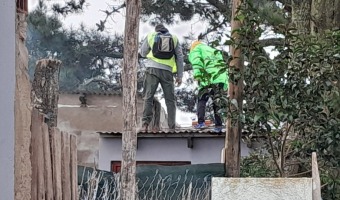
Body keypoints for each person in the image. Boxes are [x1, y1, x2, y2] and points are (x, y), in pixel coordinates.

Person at [139, 24, 184, 131]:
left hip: (151, 70)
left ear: (156, 30)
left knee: (148, 97)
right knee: (170, 99)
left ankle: (145, 124)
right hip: (167, 71)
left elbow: (143, 52)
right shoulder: (174, 38)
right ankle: (172, 126)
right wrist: (179, 76)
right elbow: (180, 57)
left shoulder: (151, 35)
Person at [188, 40, 228, 133]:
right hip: (220, 78)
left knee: (202, 99)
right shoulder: (213, 50)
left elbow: (197, 62)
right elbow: (222, 65)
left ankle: (201, 122)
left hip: (207, 77)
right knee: (217, 101)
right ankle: (219, 124)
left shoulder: (196, 49)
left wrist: (197, 75)